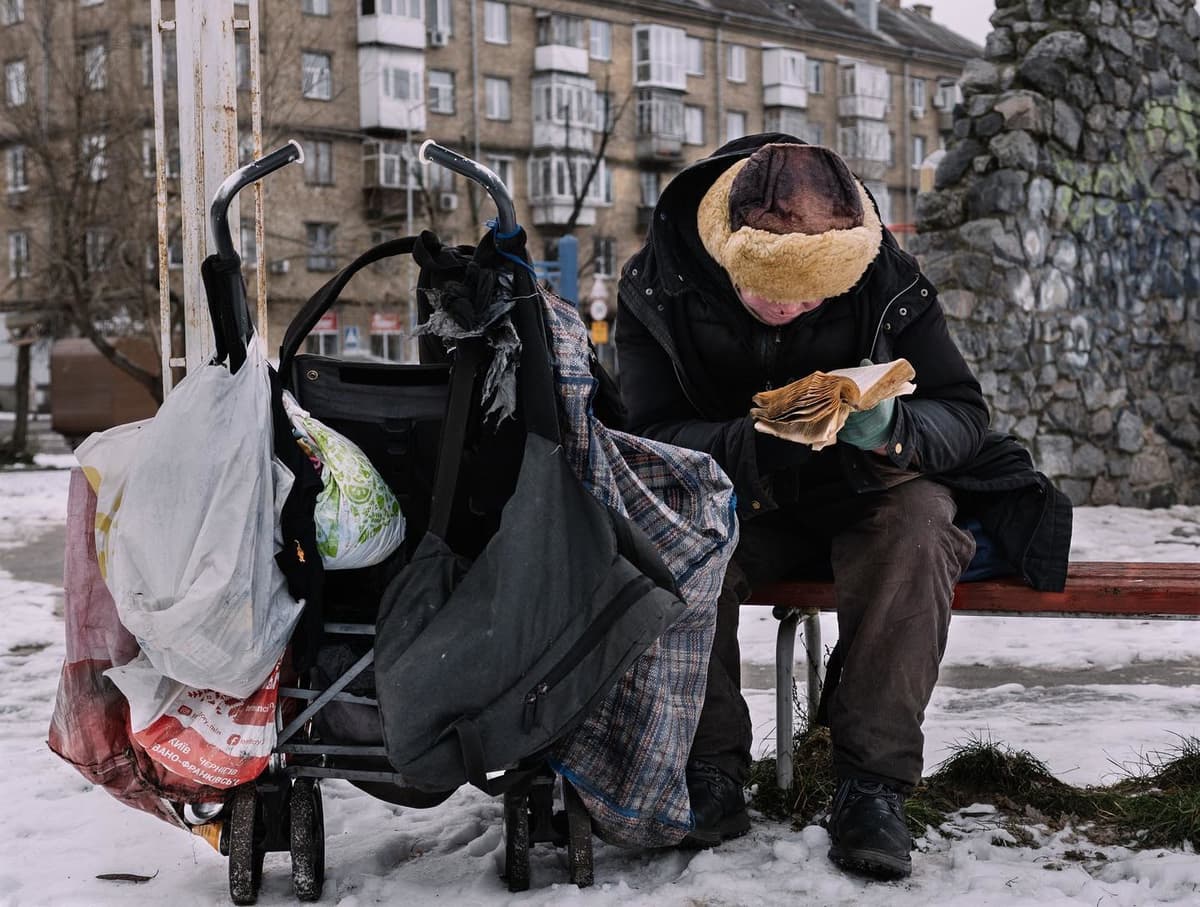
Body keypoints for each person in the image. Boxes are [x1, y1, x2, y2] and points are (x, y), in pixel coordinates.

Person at [614, 134, 1072, 879]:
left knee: (922, 523)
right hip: (737, 498)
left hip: (865, 490)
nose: (790, 309)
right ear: (729, 250)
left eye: (812, 294)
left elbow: (963, 411)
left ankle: (872, 784)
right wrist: (759, 439)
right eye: (770, 291)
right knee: (666, 539)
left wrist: (893, 431)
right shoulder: (657, 284)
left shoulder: (884, 272)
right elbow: (648, 437)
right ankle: (707, 770)